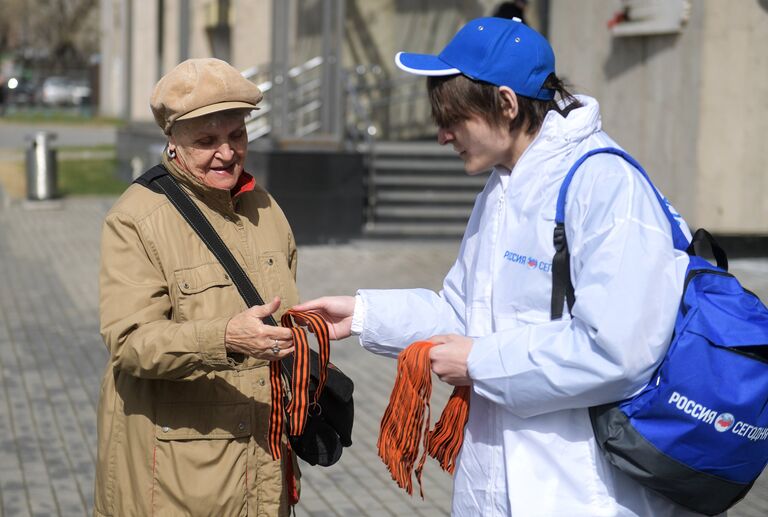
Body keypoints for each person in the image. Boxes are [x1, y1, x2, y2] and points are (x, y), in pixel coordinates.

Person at [295, 17, 700, 516]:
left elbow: (618, 350)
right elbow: (467, 318)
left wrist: (478, 362)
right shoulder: (504, 186)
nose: (442, 135)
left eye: (452, 119)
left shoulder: (604, 184)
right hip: (498, 479)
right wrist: (363, 316)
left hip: (579, 488)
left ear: (507, 104)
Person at [94, 58, 299, 516]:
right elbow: (130, 343)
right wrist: (224, 336)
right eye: (206, 141)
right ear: (173, 141)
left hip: (261, 465)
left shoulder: (265, 208)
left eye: (237, 136)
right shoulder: (135, 218)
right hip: (176, 481)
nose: (227, 153)